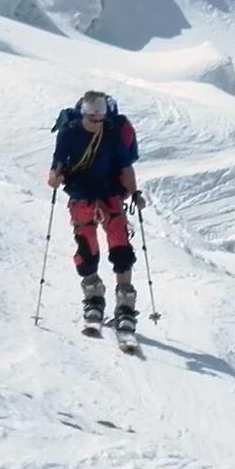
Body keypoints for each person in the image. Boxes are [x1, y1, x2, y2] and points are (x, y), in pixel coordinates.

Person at [47, 90, 146, 333]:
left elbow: (126, 167)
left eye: (100, 119)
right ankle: (94, 298)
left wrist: (135, 193)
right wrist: (54, 176)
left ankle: (124, 307)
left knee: (120, 247)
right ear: (83, 115)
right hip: (81, 194)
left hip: (109, 193)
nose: (96, 124)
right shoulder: (69, 132)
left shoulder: (112, 132)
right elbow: (57, 161)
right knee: (86, 247)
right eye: (92, 119)